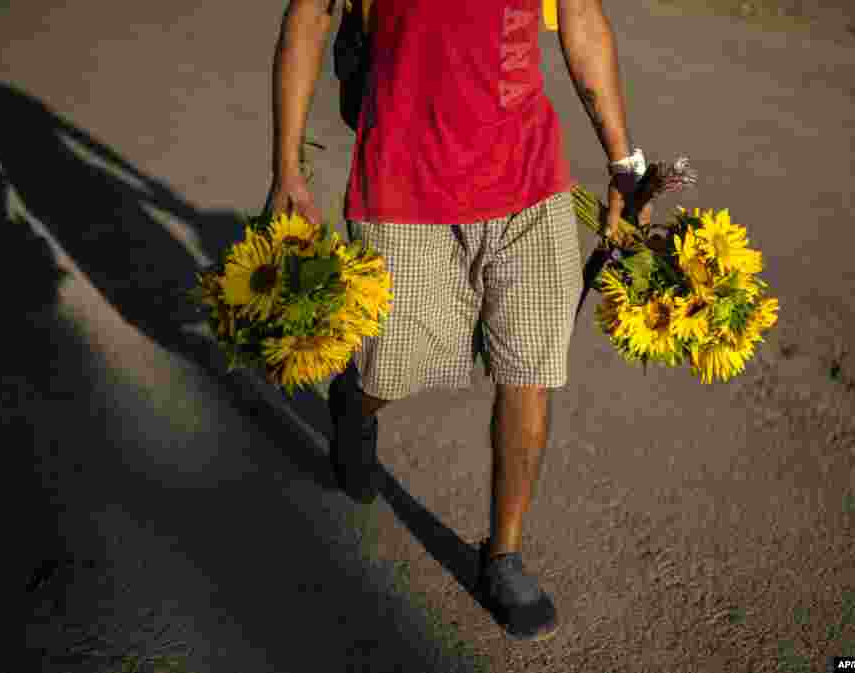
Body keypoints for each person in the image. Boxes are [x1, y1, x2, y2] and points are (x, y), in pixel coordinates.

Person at [268, 0, 652, 642]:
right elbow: (308, 18)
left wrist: (623, 163)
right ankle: (356, 405)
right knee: (393, 363)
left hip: (530, 185)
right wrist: (286, 167)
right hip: (401, 185)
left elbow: (581, 18)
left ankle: (503, 555)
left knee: (530, 367)